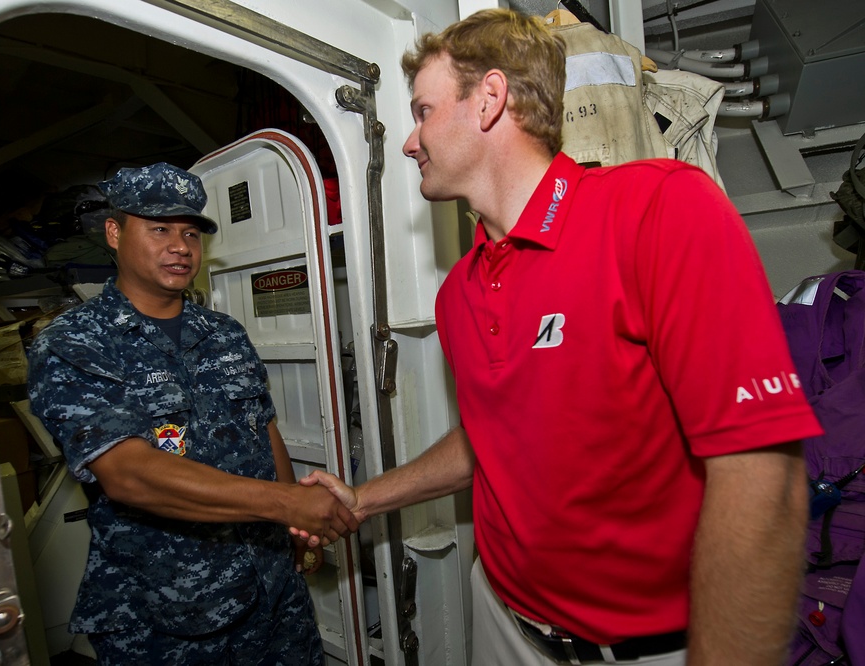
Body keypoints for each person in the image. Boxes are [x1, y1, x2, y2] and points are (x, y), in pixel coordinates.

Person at [298, 9, 823, 665]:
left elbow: (762, 478)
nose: (409, 142)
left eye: (424, 111)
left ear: (489, 100)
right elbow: (489, 434)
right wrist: (364, 498)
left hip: (647, 650)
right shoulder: (457, 293)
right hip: (501, 621)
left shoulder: (657, 210)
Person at [27, 162, 357, 664]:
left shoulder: (224, 334)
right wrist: (284, 505)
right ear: (114, 233)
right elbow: (128, 475)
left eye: (190, 233)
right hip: (167, 615)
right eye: (159, 229)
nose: (181, 246)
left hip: (269, 593)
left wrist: (294, 528)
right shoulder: (74, 343)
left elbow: (263, 432)